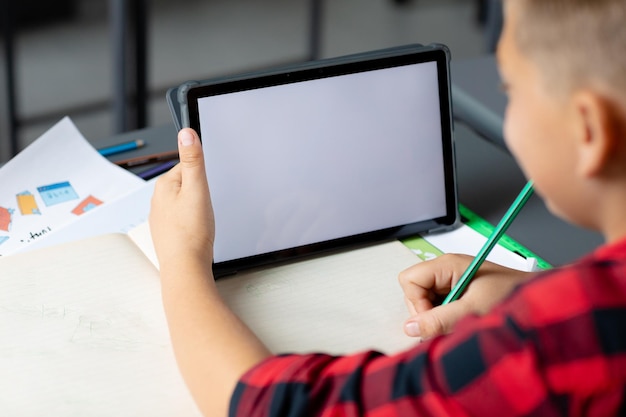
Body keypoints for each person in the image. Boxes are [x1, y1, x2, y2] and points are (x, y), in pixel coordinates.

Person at [149, 0, 626, 415]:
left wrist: (181, 260)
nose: (505, 107)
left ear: (588, 130)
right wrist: (537, 290)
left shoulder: (555, 345)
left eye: (511, 92)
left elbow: (275, 407)